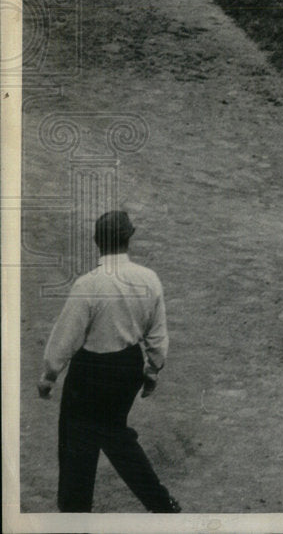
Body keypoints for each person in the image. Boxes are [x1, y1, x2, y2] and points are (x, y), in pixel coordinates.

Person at [37, 211, 181, 513]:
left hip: (90, 372)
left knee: (78, 442)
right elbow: (158, 335)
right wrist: (152, 371)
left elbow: (66, 337)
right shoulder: (149, 279)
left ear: (96, 242)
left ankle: (75, 516)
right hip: (128, 367)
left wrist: (49, 375)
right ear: (129, 238)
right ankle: (160, 502)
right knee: (115, 434)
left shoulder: (88, 284)